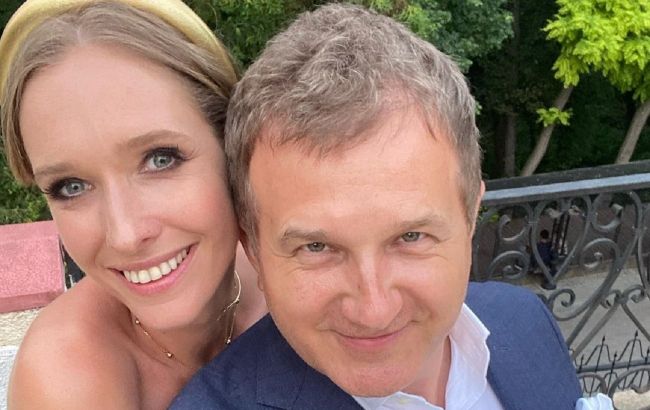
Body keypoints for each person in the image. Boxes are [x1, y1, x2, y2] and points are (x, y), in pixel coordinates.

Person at [173, 4, 612, 410]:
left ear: (470, 215)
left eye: (411, 237)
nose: (374, 310)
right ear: (253, 250)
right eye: (316, 247)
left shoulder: (523, 319)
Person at [0, 0, 266, 408]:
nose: (124, 235)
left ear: (229, 143)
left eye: (160, 159)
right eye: (71, 187)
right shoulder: (67, 384)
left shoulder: (300, 280)